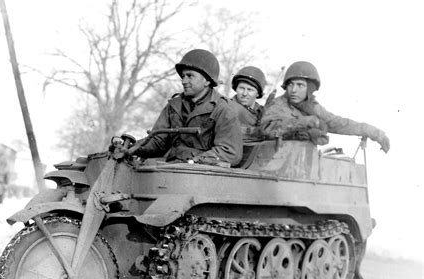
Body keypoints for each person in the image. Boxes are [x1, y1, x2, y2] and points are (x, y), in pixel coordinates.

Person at [133, 49, 243, 167]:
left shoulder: (223, 109)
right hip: (171, 169)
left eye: (190, 76)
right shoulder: (174, 105)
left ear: (206, 81)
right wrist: (132, 147)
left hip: (202, 175)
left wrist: (196, 161)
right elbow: (158, 142)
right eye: (183, 76)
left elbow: (230, 151)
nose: (184, 81)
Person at [259, 61, 390, 152]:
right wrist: (304, 123)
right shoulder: (278, 105)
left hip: (303, 165)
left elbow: (337, 123)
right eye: (291, 85)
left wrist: (373, 132)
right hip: (274, 165)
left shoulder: (312, 107)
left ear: (309, 89)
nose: (293, 90)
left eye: (300, 85)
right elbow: (267, 128)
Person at [230, 66, 267, 142]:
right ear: (236, 89)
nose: (244, 93)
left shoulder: (262, 111)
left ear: (257, 93)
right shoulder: (227, 107)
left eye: (250, 90)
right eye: (241, 88)